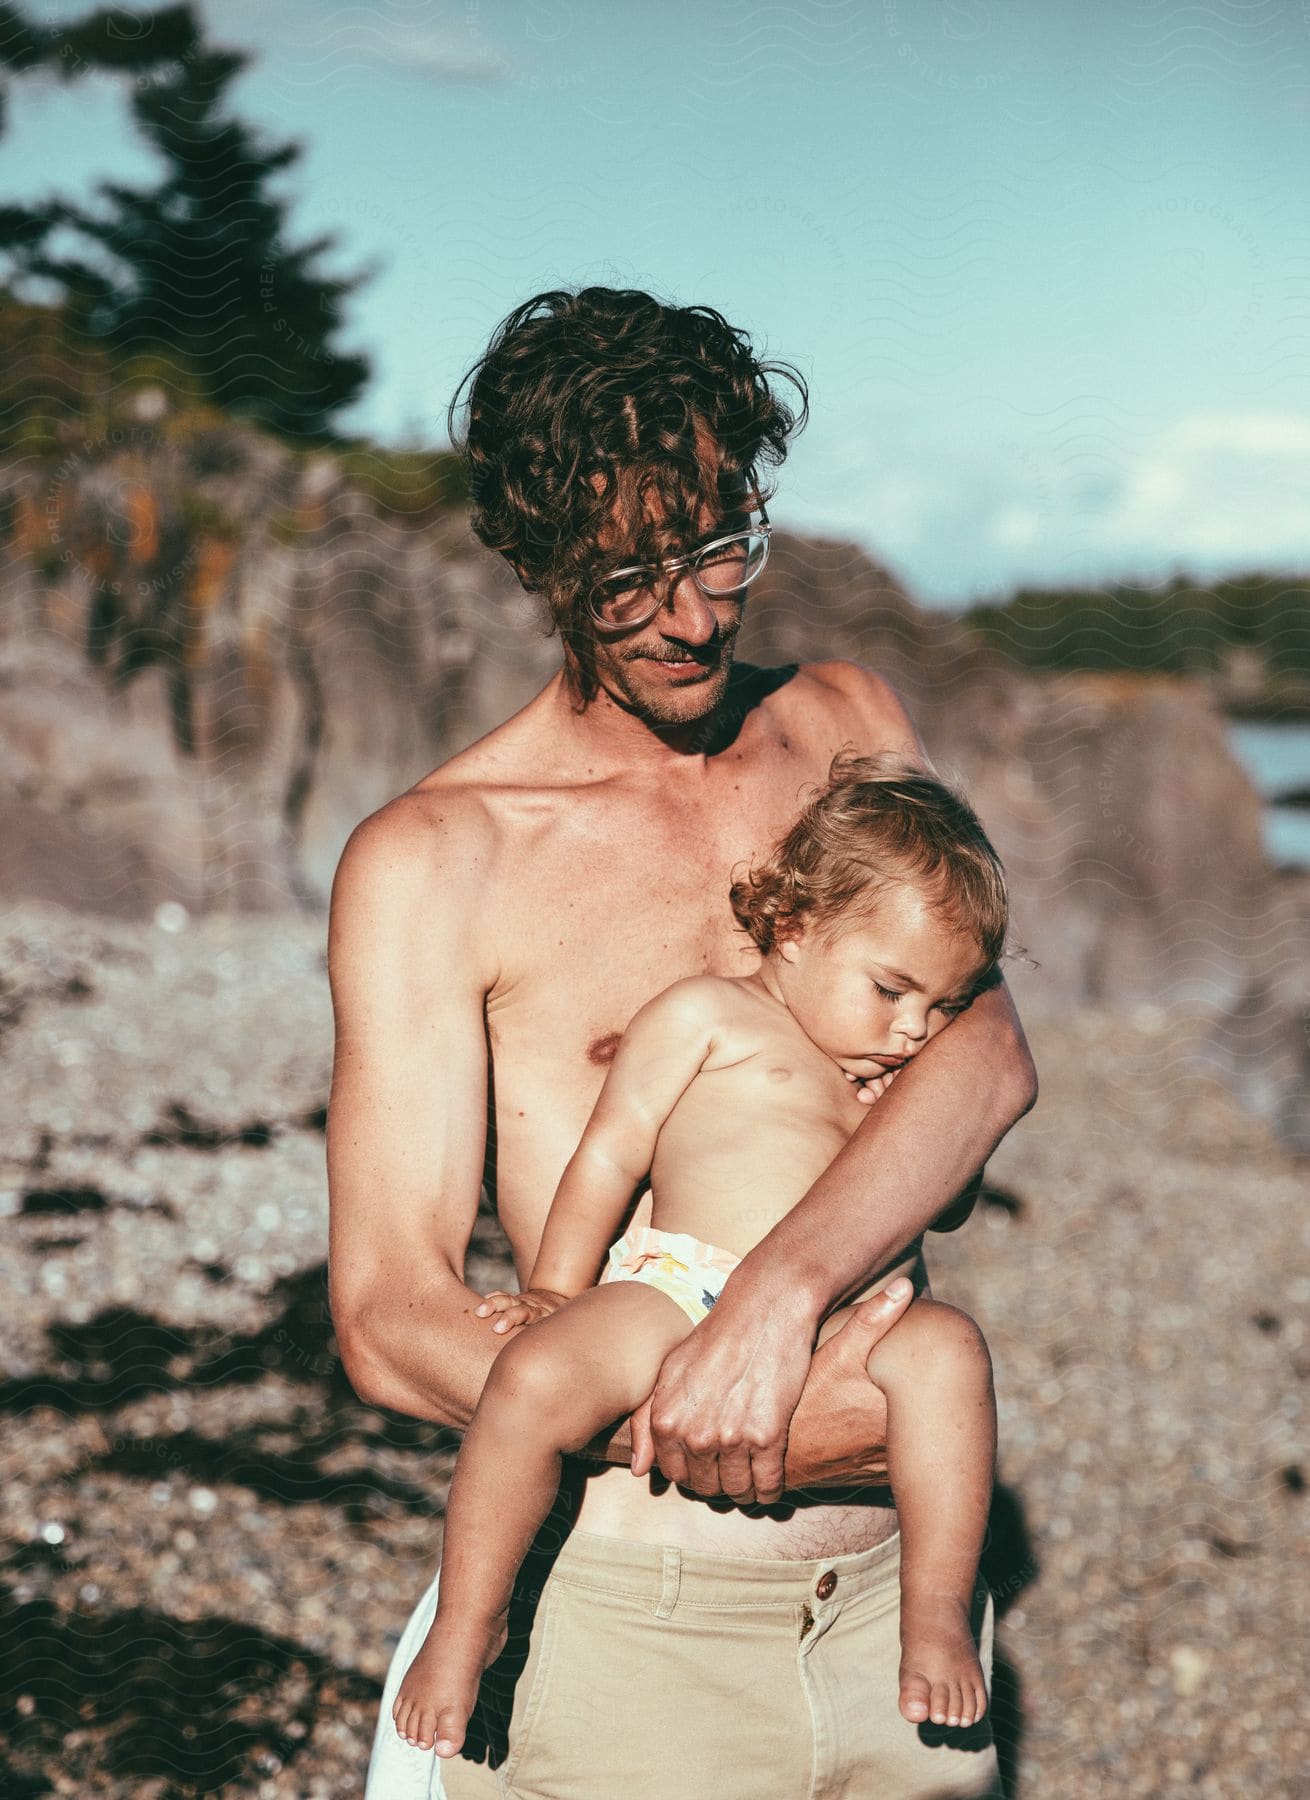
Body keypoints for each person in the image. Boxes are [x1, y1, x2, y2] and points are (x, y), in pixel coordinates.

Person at [328, 285, 1038, 1799]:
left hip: (899, 1633)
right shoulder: (438, 857)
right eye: (631, 571)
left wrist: (772, 1305)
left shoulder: (843, 719)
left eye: (721, 545)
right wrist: (734, 1417)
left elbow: (982, 1057)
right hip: (622, 1644)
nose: (698, 611)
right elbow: (389, 1317)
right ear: (534, 558)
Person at [391, 756, 1008, 1763]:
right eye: (891, 990)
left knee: (950, 1358)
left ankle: (933, 1611)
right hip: (676, 1289)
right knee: (533, 1379)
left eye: (940, 1008)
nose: (912, 1029)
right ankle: (469, 1625)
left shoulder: (886, 1073)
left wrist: (895, 1111)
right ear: (796, 928)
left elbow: (948, 1187)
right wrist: (554, 1284)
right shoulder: (708, 1017)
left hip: (845, 1328)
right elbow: (607, 1151)